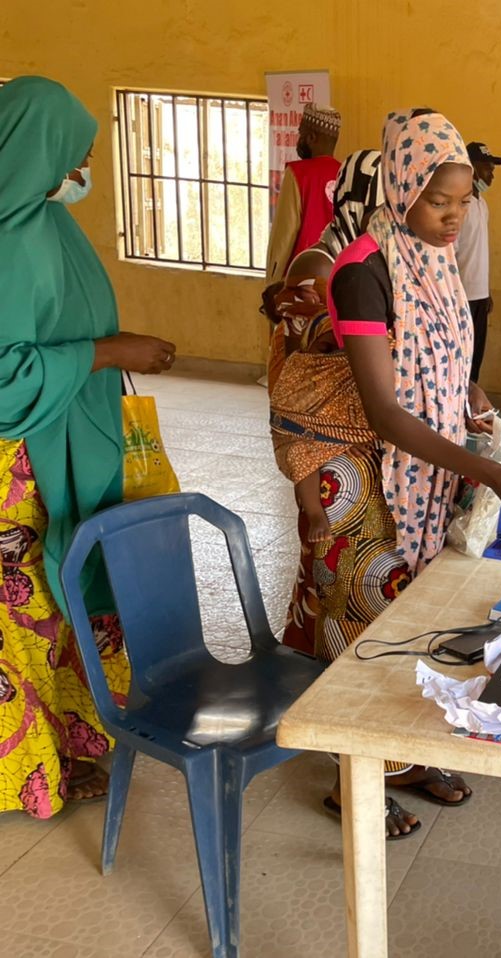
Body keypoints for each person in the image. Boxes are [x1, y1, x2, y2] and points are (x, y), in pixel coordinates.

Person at [320, 108, 501, 836]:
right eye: (437, 200)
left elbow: (443, 366)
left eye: (464, 202)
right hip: (368, 480)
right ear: (400, 186)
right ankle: (352, 782)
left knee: (421, 619)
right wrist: (490, 477)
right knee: (370, 623)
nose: (454, 217)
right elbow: (388, 413)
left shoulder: (433, 258)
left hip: (429, 466)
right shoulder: (363, 271)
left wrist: (472, 399)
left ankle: (410, 756)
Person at [0, 77, 178, 817]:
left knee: (69, 600)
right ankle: (25, 772)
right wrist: (107, 353)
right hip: (16, 463)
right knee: (26, 619)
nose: (80, 173)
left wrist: (109, 352)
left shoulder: (46, 224)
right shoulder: (6, 244)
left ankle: (72, 744)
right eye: (74, 156)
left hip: (65, 440)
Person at [264, 149, 383, 549]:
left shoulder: (382, 262)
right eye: (379, 210)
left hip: (357, 427)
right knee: (331, 548)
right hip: (316, 417)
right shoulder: (320, 262)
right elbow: (306, 340)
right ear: (355, 205)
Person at [264, 102, 343, 286]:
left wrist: (271, 284)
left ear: (311, 137)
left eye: (301, 133)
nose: (298, 139)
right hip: (335, 280)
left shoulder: (298, 174)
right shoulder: (345, 173)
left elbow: (283, 237)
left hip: (299, 279)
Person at [454, 141, 501, 381]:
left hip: (480, 296)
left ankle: (470, 412)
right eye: (487, 168)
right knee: (460, 360)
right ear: (471, 169)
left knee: (475, 360)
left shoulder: (482, 205)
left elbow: (478, 252)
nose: (491, 174)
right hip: (461, 297)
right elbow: (450, 255)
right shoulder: (459, 207)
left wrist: (487, 291)